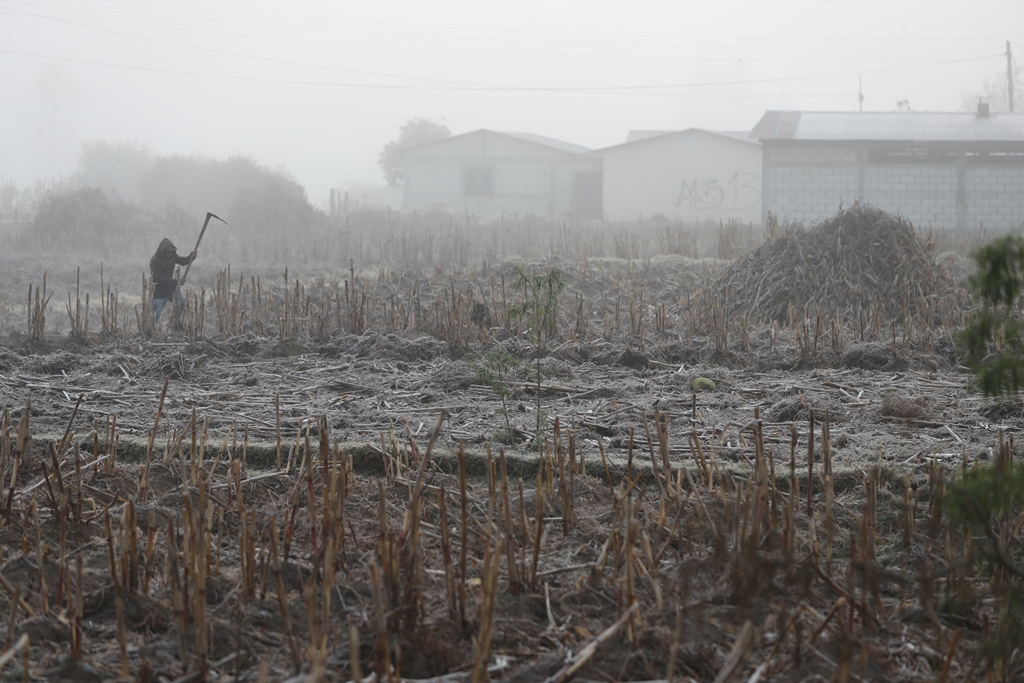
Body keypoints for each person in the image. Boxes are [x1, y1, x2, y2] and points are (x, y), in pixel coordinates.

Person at [150, 238, 196, 323]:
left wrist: (191, 257)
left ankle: (175, 322)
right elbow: (160, 279)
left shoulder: (173, 256)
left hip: (171, 289)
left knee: (182, 302)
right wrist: (177, 282)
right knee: (155, 316)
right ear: (162, 251)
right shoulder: (155, 260)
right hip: (159, 292)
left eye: (170, 252)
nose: (169, 254)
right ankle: (151, 333)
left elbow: (182, 261)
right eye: (167, 252)